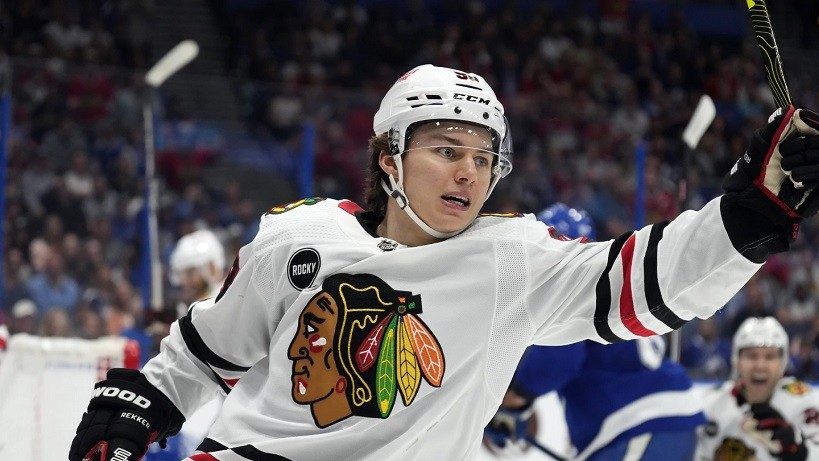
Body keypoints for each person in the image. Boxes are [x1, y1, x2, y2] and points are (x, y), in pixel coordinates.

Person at [69, 64, 819, 461]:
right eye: (444, 149)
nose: (467, 171)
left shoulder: (508, 260)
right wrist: (138, 404)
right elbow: (202, 354)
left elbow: (648, 283)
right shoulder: (299, 239)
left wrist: (748, 216)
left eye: (482, 157)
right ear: (388, 157)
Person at [484, 203, 704, 461]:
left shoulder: (567, 280)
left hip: (636, 424)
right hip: (659, 423)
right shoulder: (606, 277)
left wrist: (516, 397)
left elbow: (557, 360)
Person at [144, 229, 228, 461]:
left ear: (212, 268)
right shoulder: (190, 306)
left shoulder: (226, 301)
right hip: (199, 400)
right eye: (182, 273)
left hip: (223, 401)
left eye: (191, 272)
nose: (185, 281)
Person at [695, 317, 819, 461]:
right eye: (752, 356)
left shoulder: (802, 401)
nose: (760, 365)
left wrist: (797, 449)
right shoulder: (713, 402)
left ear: (783, 363)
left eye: (770, 357)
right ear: (737, 361)